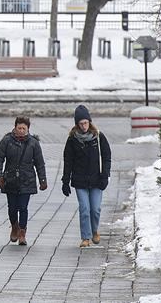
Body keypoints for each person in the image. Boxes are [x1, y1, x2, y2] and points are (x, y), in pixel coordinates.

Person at [61, 104, 112, 248]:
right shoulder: (72, 139)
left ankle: (94, 230)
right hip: (80, 180)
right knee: (84, 209)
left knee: (95, 209)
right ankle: (85, 237)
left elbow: (107, 156)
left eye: (85, 122)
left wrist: (105, 175)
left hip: (97, 179)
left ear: (89, 122)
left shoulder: (98, 137)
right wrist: (65, 181)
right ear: (76, 124)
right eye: (80, 123)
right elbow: (68, 161)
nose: (84, 126)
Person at [0, 116, 47, 246]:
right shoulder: (7, 141)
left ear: (28, 129)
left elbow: (39, 162)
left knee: (23, 207)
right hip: (10, 179)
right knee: (12, 208)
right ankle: (14, 226)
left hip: (27, 179)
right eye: (19, 128)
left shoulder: (33, 143)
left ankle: (22, 232)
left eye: (24, 128)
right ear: (15, 128)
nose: (22, 130)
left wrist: (42, 180)